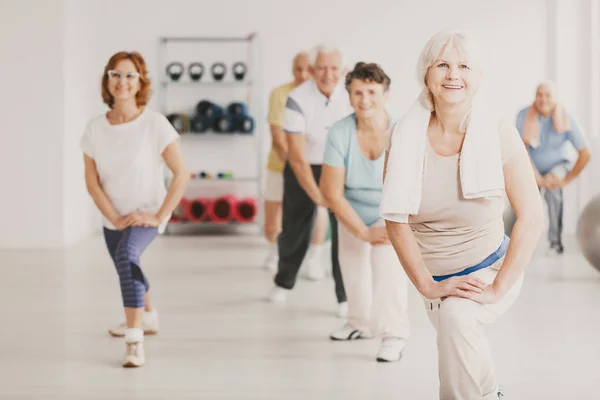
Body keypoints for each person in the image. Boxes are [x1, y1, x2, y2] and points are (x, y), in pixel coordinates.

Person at [381, 30, 544, 399]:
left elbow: (532, 216)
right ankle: (491, 392)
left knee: (456, 317)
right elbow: (395, 220)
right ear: (426, 75)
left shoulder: (498, 132)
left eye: (463, 65)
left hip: (489, 268)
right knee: (460, 341)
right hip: (435, 279)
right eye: (443, 64)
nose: (453, 74)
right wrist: (426, 285)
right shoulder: (404, 136)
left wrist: (499, 285)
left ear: (478, 77)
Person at [81, 51, 190, 367]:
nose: (122, 82)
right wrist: (114, 218)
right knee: (127, 267)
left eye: (130, 75)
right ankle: (149, 316)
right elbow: (92, 184)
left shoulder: (155, 124)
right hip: (112, 216)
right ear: (107, 79)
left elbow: (182, 173)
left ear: (140, 82)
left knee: (128, 259)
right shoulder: (94, 129)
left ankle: (134, 340)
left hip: (146, 214)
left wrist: (159, 215)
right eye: (115, 74)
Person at [321, 62, 410, 362]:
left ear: (386, 94)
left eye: (372, 91)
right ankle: (358, 324)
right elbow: (331, 192)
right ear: (348, 96)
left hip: (391, 212)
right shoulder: (339, 132)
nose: (364, 99)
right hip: (351, 212)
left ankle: (394, 333)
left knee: (387, 267)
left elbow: (412, 184)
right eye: (357, 92)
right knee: (354, 271)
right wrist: (361, 231)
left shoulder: (402, 130)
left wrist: (387, 227)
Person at [268, 45, 353, 317]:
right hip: (303, 164)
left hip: (340, 166)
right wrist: (317, 196)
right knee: (294, 228)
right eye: (322, 68)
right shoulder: (297, 98)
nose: (328, 74)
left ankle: (344, 295)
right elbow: (296, 155)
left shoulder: (352, 94)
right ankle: (284, 282)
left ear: (342, 71)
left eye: (333, 68)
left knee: (343, 231)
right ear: (314, 70)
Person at [263, 52, 330, 280]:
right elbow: (278, 137)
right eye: (296, 69)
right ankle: (277, 253)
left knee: (317, 211)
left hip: (311, 167)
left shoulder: (324, 97)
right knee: (273, 222)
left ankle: (314, 258)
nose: (301, 74)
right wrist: (294, 168)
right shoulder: (280, 94)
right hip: (279, 165)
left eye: (306, 69)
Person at [515, 81, 591, 254]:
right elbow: (520, 151)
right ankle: (521, 243)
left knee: (553, 191)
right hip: (530, 165)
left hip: (557, 166)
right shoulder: (523, 115)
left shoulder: (567, 117)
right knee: (523, 196)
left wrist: (566, 180)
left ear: (555, 98)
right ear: (535, 97)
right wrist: (537, 178)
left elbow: (585, 153)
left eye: (547, 95)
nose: (543, 99)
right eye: (539, 95)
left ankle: (555, 243)